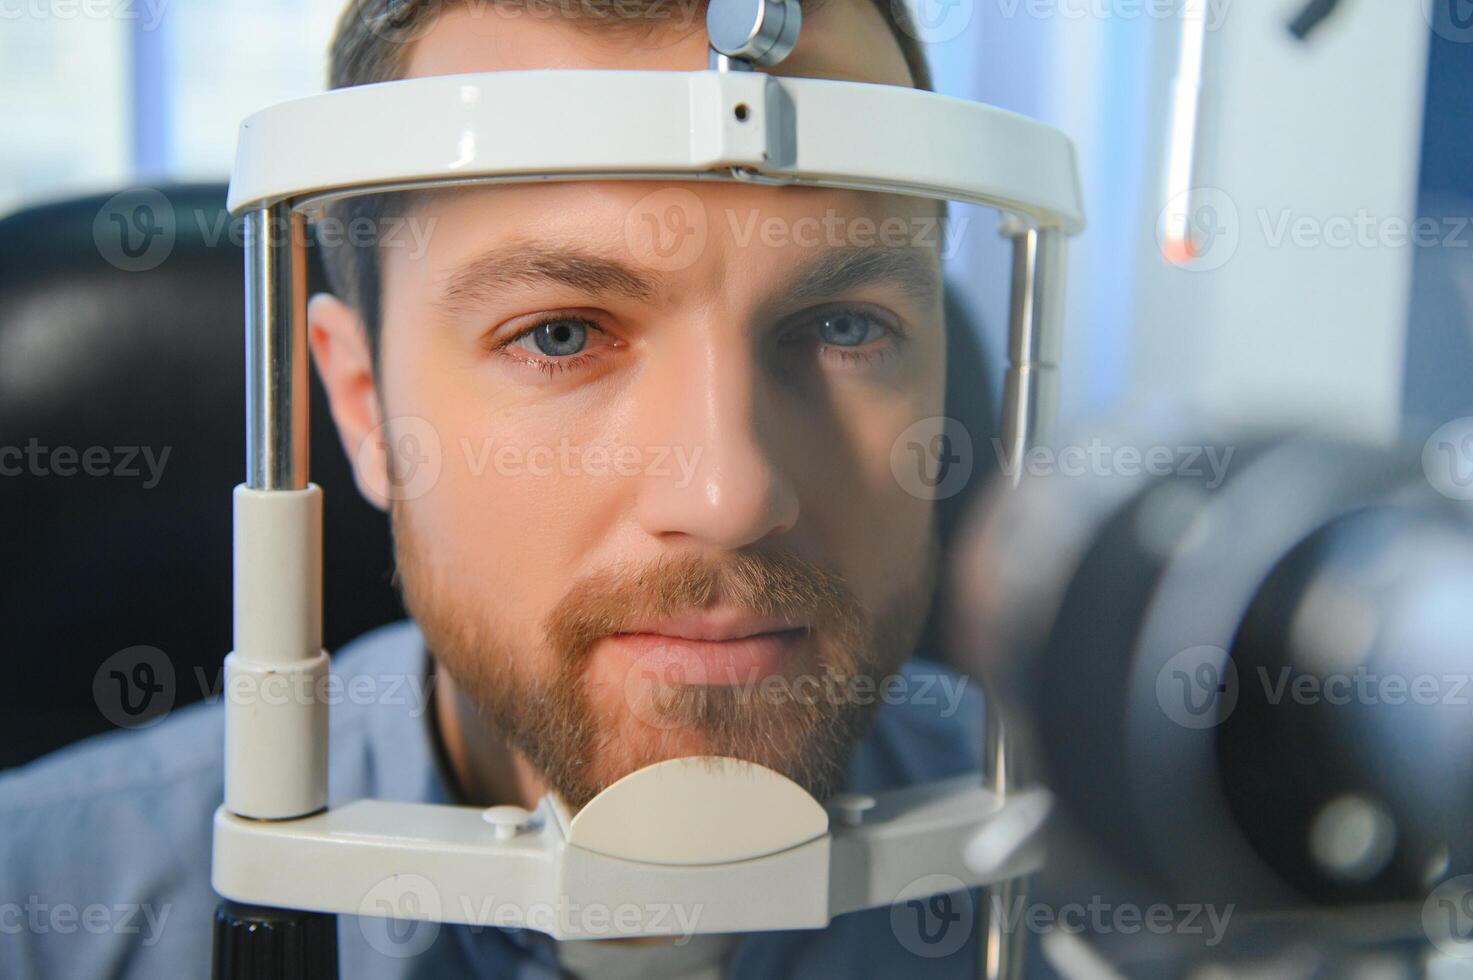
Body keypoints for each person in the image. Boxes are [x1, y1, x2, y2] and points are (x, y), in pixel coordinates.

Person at [0, 0, 1000, 975]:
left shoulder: (1104, 866)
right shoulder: (40, 910)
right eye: (557, 334)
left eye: (843, 326)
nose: (729, 495)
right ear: (362, 408)